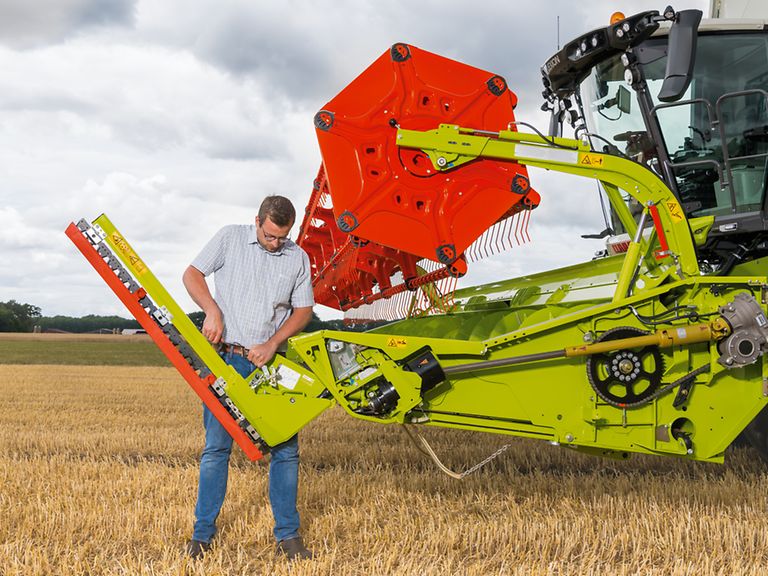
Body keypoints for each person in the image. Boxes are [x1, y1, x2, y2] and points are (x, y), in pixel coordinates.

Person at [182, 195, 315, 561]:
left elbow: (304, 310)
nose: (275, 244)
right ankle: (202, 535)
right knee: (216, 449)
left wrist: (274, 343)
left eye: (282, 238)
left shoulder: (297, 256)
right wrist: (212, 311)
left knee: (286, 452)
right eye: (270, 236)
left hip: (271, 367)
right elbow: (191, 274)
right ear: (257, 221)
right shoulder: (229, 238)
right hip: (228, 360)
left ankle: (288, 537)